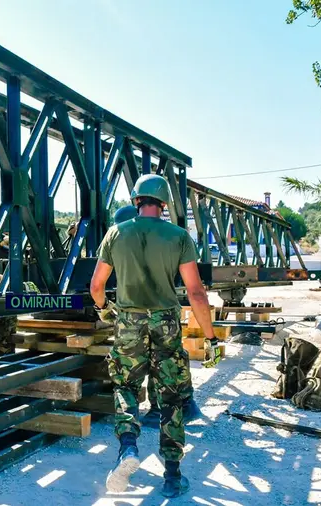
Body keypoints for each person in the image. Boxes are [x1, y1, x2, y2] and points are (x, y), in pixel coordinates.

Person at [90, 174, 218, 498]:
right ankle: (173, 476)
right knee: (171, 397)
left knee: (126, 387)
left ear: (136, 200)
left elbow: (96, 286)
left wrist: (105, 309)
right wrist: (210, 338)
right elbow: (196, 293)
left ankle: (128, 448)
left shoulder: (116, 233)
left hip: (129, 322)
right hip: (167, 324)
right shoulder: (179, 236)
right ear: (164, 204)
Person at [109, 206, 201, 427]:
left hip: (143, 314)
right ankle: (180, 405)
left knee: (155, 361)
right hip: (165, 314)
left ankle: (161, 409)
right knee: (168, 358)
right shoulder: (166, 239)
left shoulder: (126, 240)